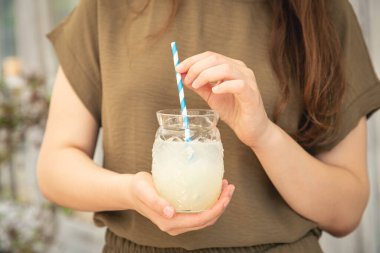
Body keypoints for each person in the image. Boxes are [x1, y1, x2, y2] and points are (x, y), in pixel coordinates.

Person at [37, 0, 380, 252]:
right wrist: (130, 192)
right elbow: (55, 167)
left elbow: (346, 211)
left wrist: (262, 134)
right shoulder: (107, 9)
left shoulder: (322, 11)